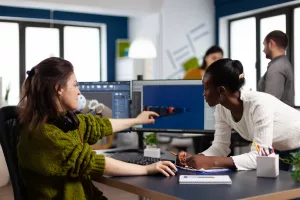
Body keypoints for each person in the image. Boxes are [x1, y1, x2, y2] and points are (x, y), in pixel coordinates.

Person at [17, 57, 177, 200]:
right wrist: (146, 169)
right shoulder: (44, 135)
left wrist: (136, 120)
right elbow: (92, 162)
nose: (79, 91)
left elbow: (100, 126)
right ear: (59, 89)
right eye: (75, 84)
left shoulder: (62, 121)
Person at [177, 58, 300, 172]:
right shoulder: (221, 108)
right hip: (278, 148)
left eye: (206, 88)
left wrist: (211, 161)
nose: (203, 94)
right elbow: (220, 147)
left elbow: (258, 156)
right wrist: (195, 158)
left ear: (221, 90)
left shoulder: (258, 105)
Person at [258, 30, 294, 107]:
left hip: (277, 118)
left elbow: (270, 103)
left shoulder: (276, 67)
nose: (263, 50)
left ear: (271, 43)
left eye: (264, 45)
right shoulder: (284, 63)